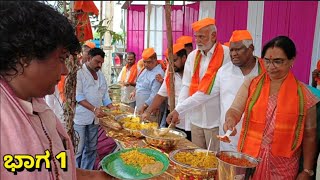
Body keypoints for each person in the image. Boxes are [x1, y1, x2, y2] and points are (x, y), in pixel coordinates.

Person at [0, 1, 109, 179]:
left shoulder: (37, 104)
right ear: (25, 57)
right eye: (61, 58)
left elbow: (54, 169)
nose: (65, 70)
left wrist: (99, 177)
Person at [223, 36, 318, 179]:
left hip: (283, 166)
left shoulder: (305, 95)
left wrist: (307, 171)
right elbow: (235, 109)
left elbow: (310, 136)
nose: (271, 67)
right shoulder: (252, 84)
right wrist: (230, 120)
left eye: (278, 61)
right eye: (267, 61)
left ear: (292, 60)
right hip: (249, 159)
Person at [167, 30, 264, 151]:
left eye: (238, 49)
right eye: (232, 50)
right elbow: (203, 94)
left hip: (256, 138)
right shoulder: (224, 71)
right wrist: (178, 110)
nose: (233, 53)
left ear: (251, 48)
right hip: (228, 137)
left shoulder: (264, 71)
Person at [166, 18, 230, 151]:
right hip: (195, 119)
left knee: (214, 161)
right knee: (198, 161)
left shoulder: (226, 54)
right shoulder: (193, 56)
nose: (198, 40)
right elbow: (186, 86)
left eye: (202, 36)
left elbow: (209, 91)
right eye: (196, 36)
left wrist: (180, 109)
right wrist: (178, 110)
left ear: (213, 36)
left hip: (216, 120)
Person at [74, 48, 114, 170]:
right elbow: (79, 97)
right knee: (78, 150)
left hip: (94, 119)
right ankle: (75, 173)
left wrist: (112, 108)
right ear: (89, 58)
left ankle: (87, 172)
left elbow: (104, 95)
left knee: (91, 148)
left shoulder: (100, 75)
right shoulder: (79, 73)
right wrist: (94, 109)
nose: (99, 65)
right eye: (97, 62)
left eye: (101, 62)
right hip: (80, 118)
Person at [141, 43, 191, 140]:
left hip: (189, 120)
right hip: (172, 117)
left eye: (174, 60)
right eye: (168, 61)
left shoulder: (192, 71)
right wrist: (148, 111)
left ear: (184, 58)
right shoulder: (170, 71)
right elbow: (161, 94)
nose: (171, 64)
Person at [132, 48, 165, 115]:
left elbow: (155, 95)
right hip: (140, 106)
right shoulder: (145, 69)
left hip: (149, 110)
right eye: (144, 62)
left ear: (155, 60)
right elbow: (139, 83)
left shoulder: (158, 74)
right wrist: (134, 91)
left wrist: (145, 106)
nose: (146, 64)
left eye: (149, 62)